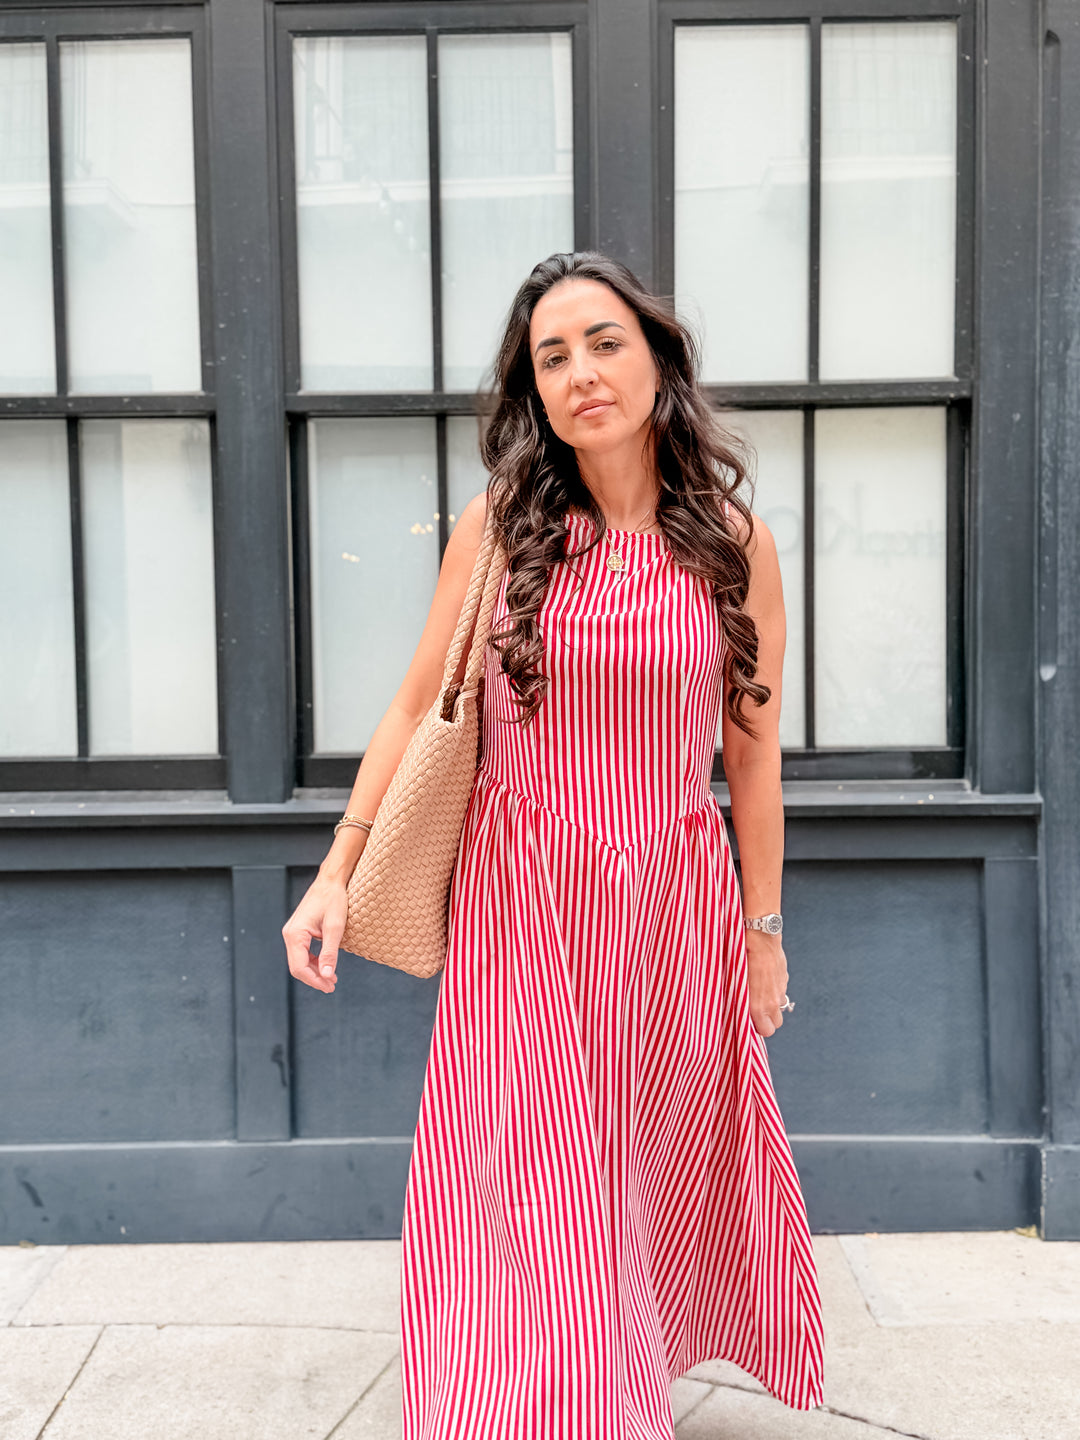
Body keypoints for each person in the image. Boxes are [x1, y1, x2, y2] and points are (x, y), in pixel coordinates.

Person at [283, 250, 825, 1436]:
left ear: (657, 358)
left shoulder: (737, 544)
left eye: (605, 342)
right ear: (533, 390)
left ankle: (611, 1380)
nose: (582, 372)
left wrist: (764, 930)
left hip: (670, 906)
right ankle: (544, 1404)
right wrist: (336, 870)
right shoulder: (500, 528)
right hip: (521, 893)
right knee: (528, 1172)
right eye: (552, 356)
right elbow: (414, 703)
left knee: (640, 1162)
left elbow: (752, 756)